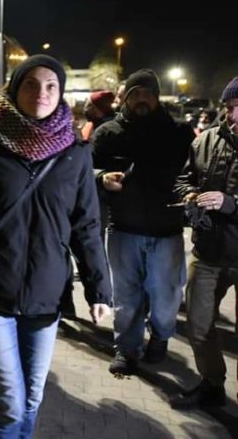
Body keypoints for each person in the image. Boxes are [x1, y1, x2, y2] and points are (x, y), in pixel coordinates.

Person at [0, 55, 112, 437]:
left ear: (61, 93)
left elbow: (86, 225)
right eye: (31, 84)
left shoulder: (75, 153)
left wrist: (99, 289)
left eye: (51, 85)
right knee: (10, 399)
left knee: (31, 396)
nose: (41, 93)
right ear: (16, 89)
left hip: (46, 294)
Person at [92, 69, 195, 375]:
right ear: (124, 97)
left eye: (147, 93)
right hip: (123, 228)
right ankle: (126, 348)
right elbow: (87, 171)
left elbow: (194, 172)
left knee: (166, 298)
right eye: (135, 93)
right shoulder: (108, 133)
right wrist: (101, 178)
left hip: (167, 230)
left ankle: (160, 337)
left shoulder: (179, 132)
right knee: (126, 297)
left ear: (157, 97)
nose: (141, 99)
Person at [170, 77, 238, 409]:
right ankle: (212, 384)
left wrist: (230, 203)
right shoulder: (207, 139)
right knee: (197, 325)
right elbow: (184, 179)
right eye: (229, 107)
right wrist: (190, 195)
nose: (232, 115)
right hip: (208, 251)